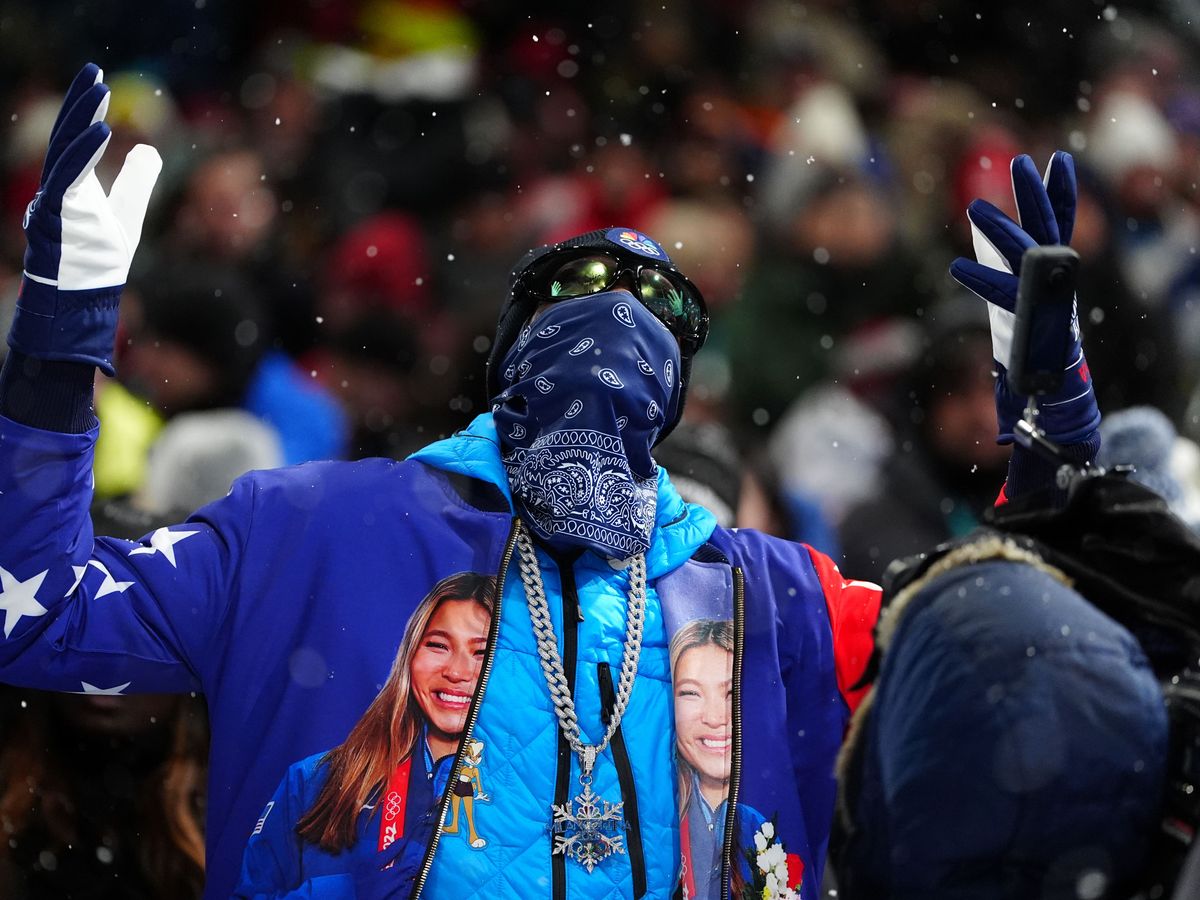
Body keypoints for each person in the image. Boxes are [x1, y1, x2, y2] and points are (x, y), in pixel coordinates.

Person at [0, 66, 1091, 899]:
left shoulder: (779, 596)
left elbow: (1044, 662)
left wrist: (1053, 420)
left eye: (658, 310)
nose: (615, 314)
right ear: (507, 359)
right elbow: (36, 614)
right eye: (572, 295)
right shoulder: (307, 529)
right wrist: (61, 330)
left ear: (677, 400)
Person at [236, 572, 496, 895]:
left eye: (482, 652)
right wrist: (345, 893)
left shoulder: (534, 799)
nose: (456, 672)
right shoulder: (315, 782)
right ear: (409, 656)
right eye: (438, 645)